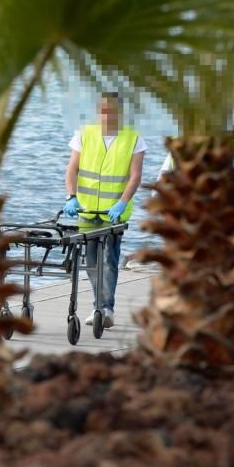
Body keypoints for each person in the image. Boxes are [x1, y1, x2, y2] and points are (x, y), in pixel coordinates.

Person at [64, 92, 145, 327]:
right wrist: (71, 197)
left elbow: (135, 176)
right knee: (90, 261)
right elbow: (71, 169)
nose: (106, 115)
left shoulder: (133, 138)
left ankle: (105, 308)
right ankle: (98, 304)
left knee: (109, 259)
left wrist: (122, 202)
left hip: (114, 213)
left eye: (111, 110)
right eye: (102, 110)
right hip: (87, 211)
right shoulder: (84, 134)